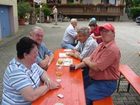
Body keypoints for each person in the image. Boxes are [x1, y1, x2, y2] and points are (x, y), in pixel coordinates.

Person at [1, 37, 60, 105]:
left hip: (36, 101)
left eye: (37, 51)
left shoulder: (30, 62)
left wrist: (48, 80)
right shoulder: (15, 71)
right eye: (35, 52)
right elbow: (31, 96)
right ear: (25, 54)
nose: (37, 54)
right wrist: (49, 86)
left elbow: (42, 72)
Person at [74, 23, 121, 105]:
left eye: (107, 31)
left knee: (83, 96)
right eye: (102, 31)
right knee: (77, 86)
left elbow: (96, 67)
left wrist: (86, 60)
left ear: (113, 33)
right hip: (94, 78)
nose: (103, 33)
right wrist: (77, 66)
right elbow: (89, 58)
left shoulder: (112, 49)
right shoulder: (101, 45)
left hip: (106, 83)